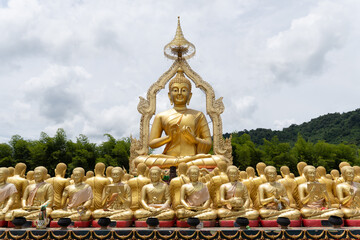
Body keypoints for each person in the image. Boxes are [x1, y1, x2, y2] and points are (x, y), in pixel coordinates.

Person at [134, 68, 229, 168]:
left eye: (184, 90)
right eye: (175, 90)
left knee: (221, 160)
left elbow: (208, 143)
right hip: (169, 158)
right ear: (169, 96)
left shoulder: (198, 115)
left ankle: (180, 164)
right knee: (140, 161)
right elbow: (152, 143)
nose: (179, 93)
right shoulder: (161, 116)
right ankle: (182, 163)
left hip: (193, 158)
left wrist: (194, 139)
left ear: (190, 95)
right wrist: (168, 137)